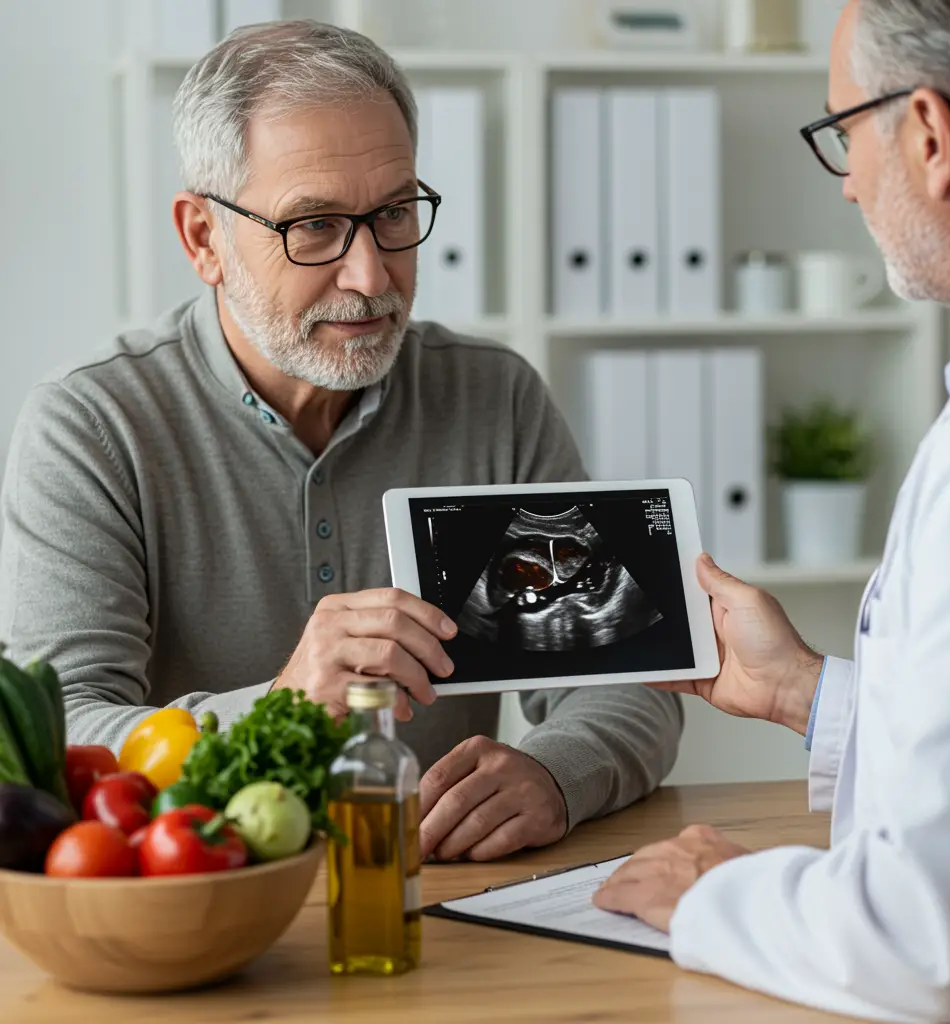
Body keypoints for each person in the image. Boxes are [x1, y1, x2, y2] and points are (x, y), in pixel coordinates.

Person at [0, 20, 682, 865]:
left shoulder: (494, 396)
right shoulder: (92, 427)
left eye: (394, 212)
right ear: (203, 239)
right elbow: (59, 739)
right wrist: (285, 702)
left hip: (441, 901)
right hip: (202, 910)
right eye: (314, 226)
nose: (370, 275)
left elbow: (622, 678)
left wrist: (554, 774)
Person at [594, 0, 950, 1019]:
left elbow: (934, 940)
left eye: (844, 131)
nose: (845, 185)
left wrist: (714, 897)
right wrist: (803, 694)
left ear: (926, 134)